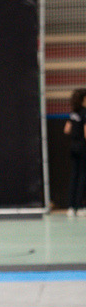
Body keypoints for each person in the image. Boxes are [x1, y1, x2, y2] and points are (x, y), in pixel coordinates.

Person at [64, 87, 86, 217]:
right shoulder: (84, 113)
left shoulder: (73, 113)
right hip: (82, 148)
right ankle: (81, 206)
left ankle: (71, 207)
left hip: (73, 147)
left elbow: (66, 130)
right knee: (83, 176)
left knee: (74, 176)